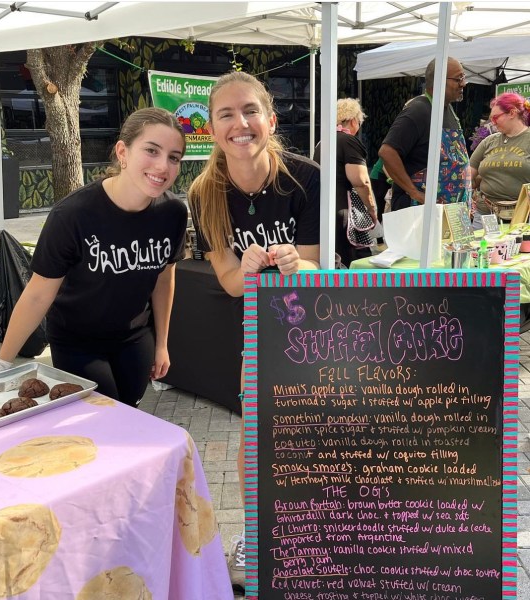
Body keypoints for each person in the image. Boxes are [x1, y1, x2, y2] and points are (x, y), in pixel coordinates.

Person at [188, 70, 321, 592]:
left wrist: (296, 263)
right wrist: (245, 271)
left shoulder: (305, 177)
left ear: (269, 118)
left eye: (249, 111)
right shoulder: (204, 193)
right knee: (258, 436)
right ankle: (256, 534)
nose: (239, 124)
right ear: (213, 128)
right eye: (226, 114)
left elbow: (319, 272)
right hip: (261, 330)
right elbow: (226, 279)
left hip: (319, 329)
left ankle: (320, 533)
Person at [0, 107, 188, 407]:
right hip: (77, 343)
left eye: (174, 157)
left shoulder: (172, 213)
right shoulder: (73, 215)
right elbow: (36, 295)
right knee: (103, 417)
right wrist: (2, 365)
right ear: (123, 152)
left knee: (131, 411)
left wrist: (162, 343)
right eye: (152, 150)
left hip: (135, 339)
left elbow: (164, 279)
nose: (163, 166)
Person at [378, 57, 471, 211]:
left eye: (463, 77)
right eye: (458, 78)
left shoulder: (449, 111)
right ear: (438, 80)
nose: (463, 83)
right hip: (419, 212)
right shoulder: (418, 110)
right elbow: (387, 152)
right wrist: (414, 192)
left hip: (449, 212)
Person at [313, 98, 377, 267]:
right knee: (356, 264)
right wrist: (371, 209)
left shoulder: (322, 143)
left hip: (324, 211)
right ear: (353, 120)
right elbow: (361, 181)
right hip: (345, 214)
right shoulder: (348, 141)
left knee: (334, 263)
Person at [469, 92, 530, 229]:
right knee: (480, 249)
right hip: (485, 214)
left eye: (496, 118)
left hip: (523, 217)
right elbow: (468, 174)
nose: (493, 123)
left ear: (512, 113)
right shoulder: (489, 141)